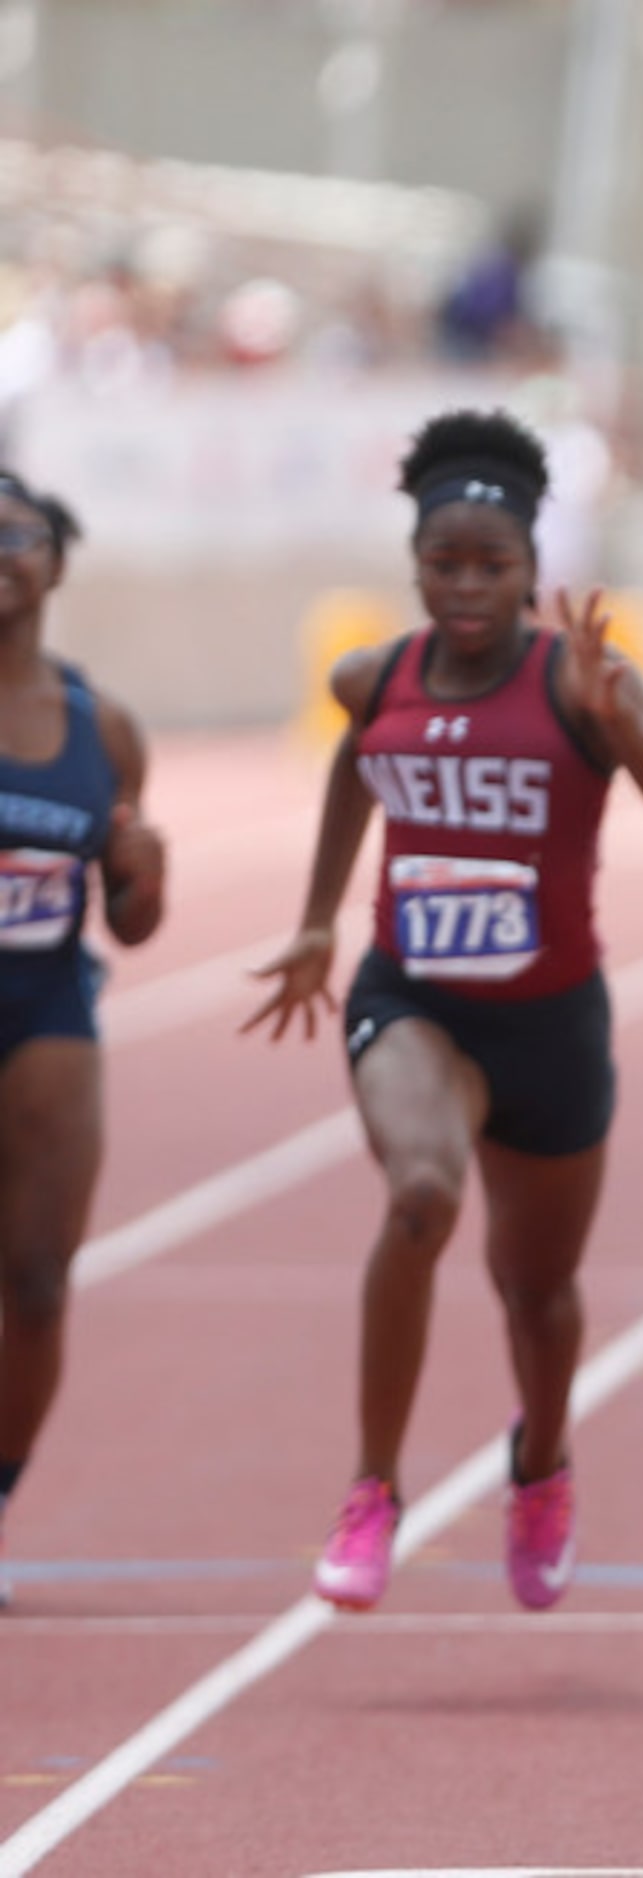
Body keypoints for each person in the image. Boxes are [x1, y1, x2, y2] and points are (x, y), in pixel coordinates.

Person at [246, 410, 643, 1614]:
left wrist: (626, 731)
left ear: (532, 570)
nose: (466, 588)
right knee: (420, 1196)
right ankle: (373, 1490)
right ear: (414, 561)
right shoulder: (376, 675)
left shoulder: (578, 682)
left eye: (492, 566)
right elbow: (354, 765)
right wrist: (319, 917)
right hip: (413, 997)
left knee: (538, 1293)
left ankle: (541, 1466)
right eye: (444, 563)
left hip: (552, 1021)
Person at [0, 474, 166, 1608]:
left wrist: (146, 875)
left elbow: (134, 918)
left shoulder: (100, 724)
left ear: (56, 563)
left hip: (48, 1013)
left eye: (17, 537)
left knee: (38, 1282)